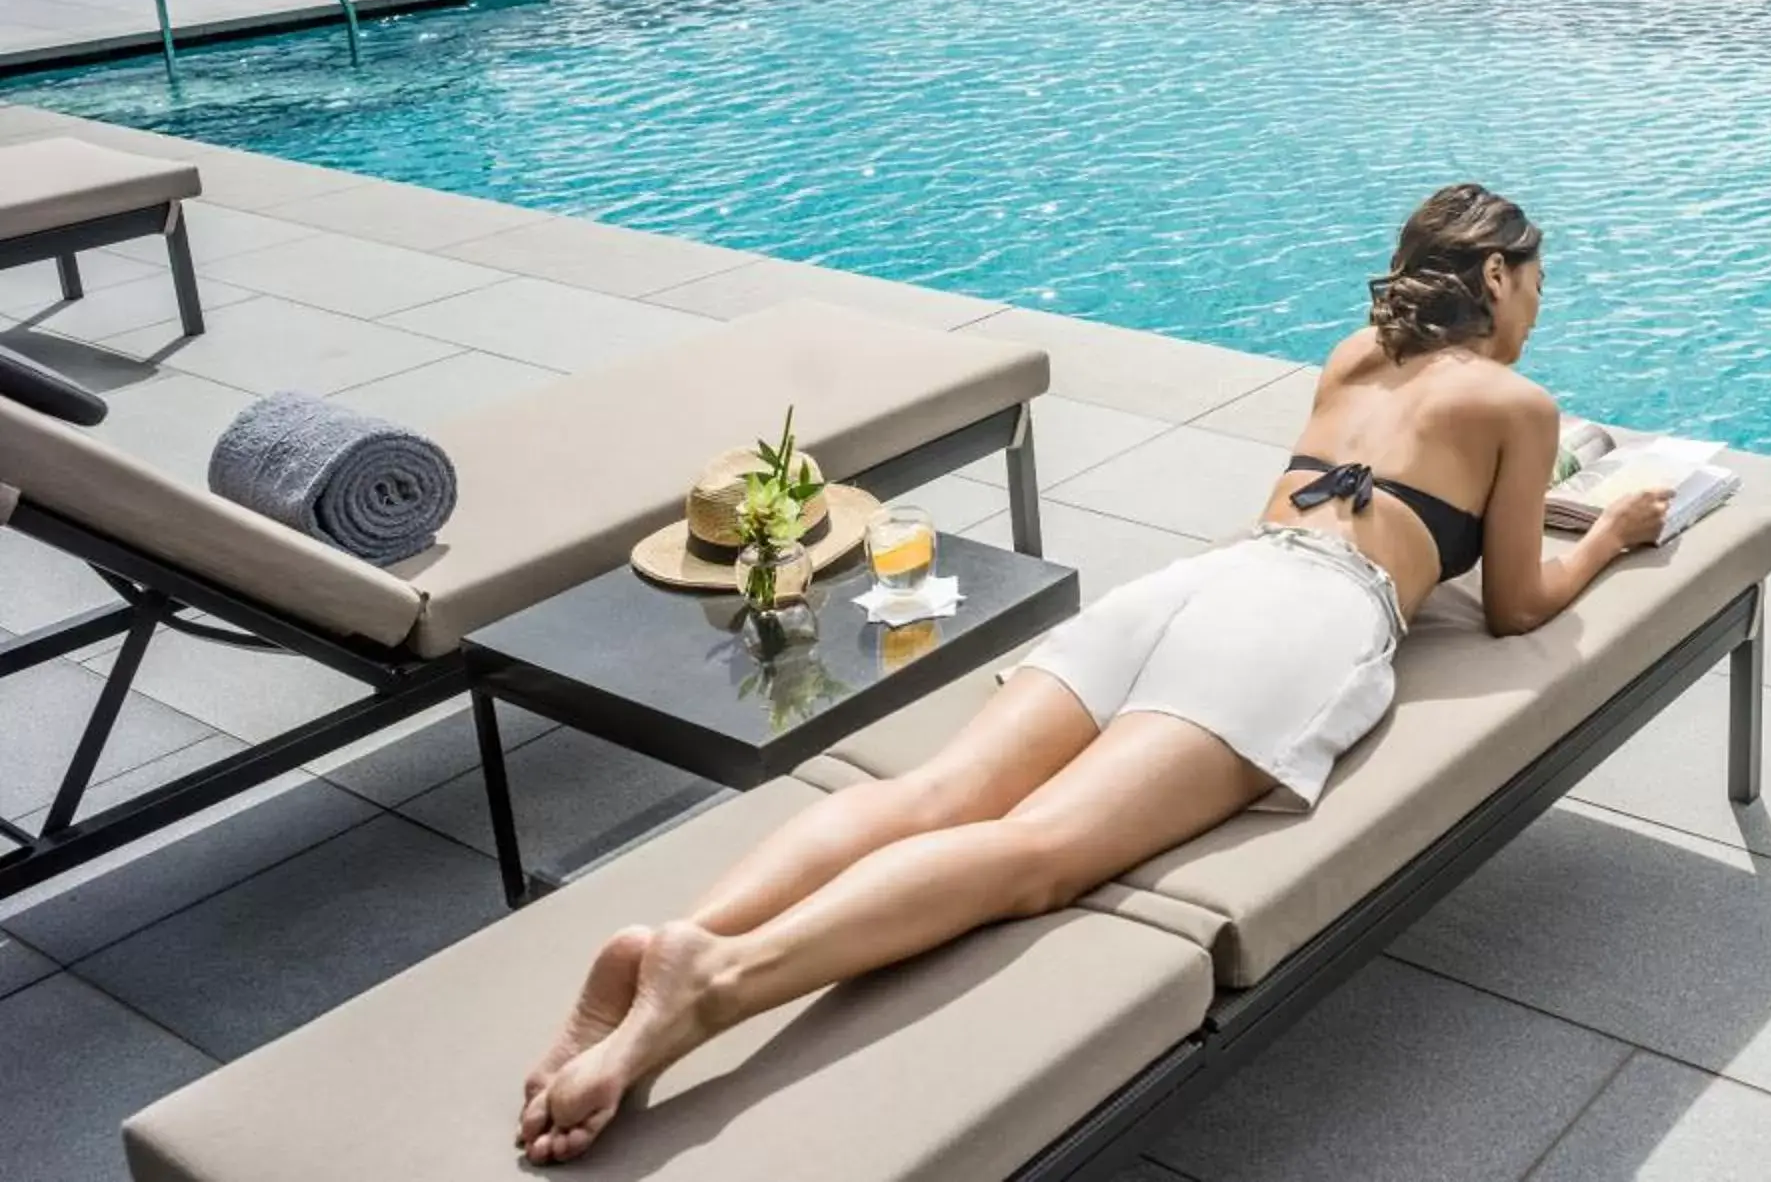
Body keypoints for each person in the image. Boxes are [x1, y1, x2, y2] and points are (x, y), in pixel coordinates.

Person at [518, 183, 1674, 1163]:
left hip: (1198, 584)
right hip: (1301, 617)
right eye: (1536, 279)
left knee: (932, 797)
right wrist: (1612, 533)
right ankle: (715, 981)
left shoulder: (1353, 354)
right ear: (1492, 272)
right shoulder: (1518, 403)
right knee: (1041, 852)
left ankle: (687, 929)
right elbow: (1518, 605)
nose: (1540, 301)